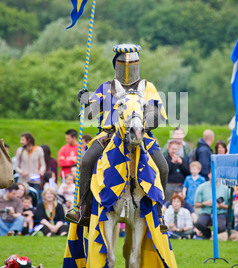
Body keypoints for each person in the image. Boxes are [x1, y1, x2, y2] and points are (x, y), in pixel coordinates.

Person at [65, 44, 169, 231]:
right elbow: (90, 114)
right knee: (87, 161)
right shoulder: (106, 87)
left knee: (163, 167)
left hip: (140, 135)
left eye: (132, 65)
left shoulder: (148, 87)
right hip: (108, 135)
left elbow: (156, 116)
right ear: (116, 65)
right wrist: (84, 101)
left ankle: (160, 213)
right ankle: (83, 208)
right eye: (123, 65)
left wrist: (144, 121)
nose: (128, 70)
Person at [194, 170, 230, 239]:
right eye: (213, 174)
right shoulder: (201, 187)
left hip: (220, 212)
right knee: (199, 224)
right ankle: (207, 234)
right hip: (206, 212)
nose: (215, 176)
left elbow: (230, 205)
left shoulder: (225, 188)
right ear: (209, 175)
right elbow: (196, 204)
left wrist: (221, 206)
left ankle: (217, 235)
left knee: (220, 227)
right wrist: (205, 203)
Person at [15, 133, 46, 198]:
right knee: (22, 196)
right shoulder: (20, 151)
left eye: (23, 140)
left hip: (35, 177)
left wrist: (41, 171)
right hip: (23, 179)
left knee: (35, 195)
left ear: (29, 140)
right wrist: (21, 172)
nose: (21, 142)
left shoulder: (38, 150)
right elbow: (16, 166)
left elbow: (43, 165)